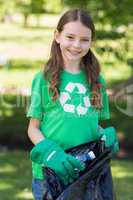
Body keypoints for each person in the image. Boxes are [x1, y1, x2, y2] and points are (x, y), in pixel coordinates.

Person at [27, 8, 111, 200]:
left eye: (84, 39)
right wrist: (51, 152)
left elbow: (90, 125)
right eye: (70, 37)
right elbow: (33, 128)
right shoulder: (43, 78)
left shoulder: (97, 80)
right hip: (50, 174)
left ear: (91, 42)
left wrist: (104, 137)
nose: (76, 45)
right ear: (57, 36)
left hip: (87, 173)